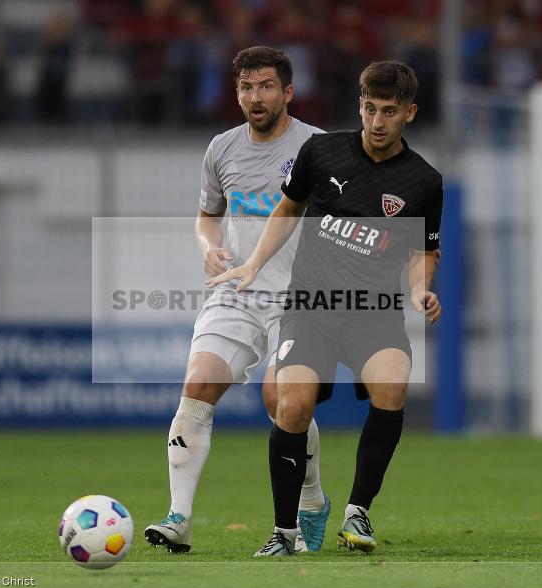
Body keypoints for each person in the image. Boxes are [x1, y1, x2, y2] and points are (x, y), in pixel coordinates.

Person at [210, 60, 443, 556]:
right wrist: (253, 264)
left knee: (393, 381)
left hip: (373, 311)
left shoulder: (423, 181)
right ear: (359, 105)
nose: (377, 122)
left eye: (389, 112)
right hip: (310, 307)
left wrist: (422, 287)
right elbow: (288, 208)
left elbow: (424, 249)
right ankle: (285, 533)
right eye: (369, 108)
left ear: (410, 113)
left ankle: (358, 514)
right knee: (292, 405)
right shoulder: (321, 152)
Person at [144, 46, 330, 554]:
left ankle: (311, 500)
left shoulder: (318, 147)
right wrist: (209, 248)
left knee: (281, 400)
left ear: (288, 92)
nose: (255, 96)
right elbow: (207, 215)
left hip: (301, 297)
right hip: (239, 290)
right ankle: (178, 518)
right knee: (198, 384)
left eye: (266, 86)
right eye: (246, 87)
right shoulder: (220, 150)